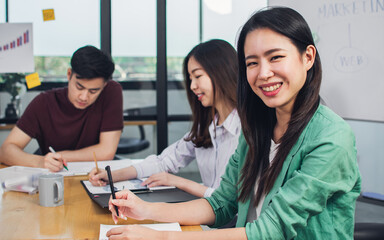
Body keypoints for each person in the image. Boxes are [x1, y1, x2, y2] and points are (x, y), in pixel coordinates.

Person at [103, 7, 361, 240]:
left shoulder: (331, 136)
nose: (263, 73)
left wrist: (161, 238)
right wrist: (145, 209)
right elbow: (220, 204)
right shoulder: (255, 131)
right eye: (252, 63)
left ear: (308, 57)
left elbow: (270, 231)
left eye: (275, 57)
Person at [89, 39, 241, 198]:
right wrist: (112, 176)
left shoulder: (245, 132)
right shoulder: (207, 127)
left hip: (232, 221)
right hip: (209, 215)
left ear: (222, 72)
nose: (192, 86)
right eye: (190, 78)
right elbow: (164, 161)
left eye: (198, 76)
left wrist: (179, 182)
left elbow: (228, 201)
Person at [0, 45, 123, 172]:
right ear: (69, 74)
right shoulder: (44, 103)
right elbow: (5, 151)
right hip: (55, 177)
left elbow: (106, 152)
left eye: (93, 91)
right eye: (79, 87)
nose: (84, 97)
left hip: (97, 177)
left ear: (104, 85)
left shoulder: (111, 91)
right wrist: (41, 161)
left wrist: (60, 156)